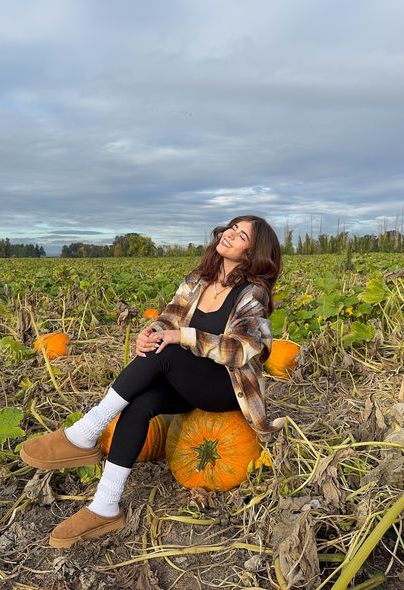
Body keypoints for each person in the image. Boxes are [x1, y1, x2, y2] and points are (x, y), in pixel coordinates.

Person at [20, 214, 285, 548]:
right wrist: (152, 332)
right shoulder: (198, 280)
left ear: (254, 252)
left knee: (167, 351)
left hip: (225, 387)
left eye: (242, 235)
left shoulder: (252, 293)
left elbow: (243, 349)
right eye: (231, 227)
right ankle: (106, 505)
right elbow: (169, 318)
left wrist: (180, 336)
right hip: (189, 379)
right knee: (141, 401)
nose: (230, 234)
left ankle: (85, 433)